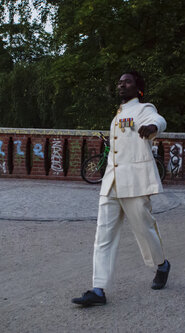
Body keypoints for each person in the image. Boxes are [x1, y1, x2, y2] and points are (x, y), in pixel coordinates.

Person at [72, 71, 169, 307]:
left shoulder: (144, 109)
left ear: (138, 88)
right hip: (111, 183)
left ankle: (161, 264)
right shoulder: (118, 115)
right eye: (120, 81)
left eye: (127, 81)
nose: (121, 84)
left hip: (135, 183)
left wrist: (152, 127)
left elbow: (160, 120)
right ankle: (98, 289)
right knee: (102, 237)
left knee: (144, 230)